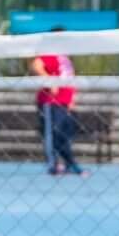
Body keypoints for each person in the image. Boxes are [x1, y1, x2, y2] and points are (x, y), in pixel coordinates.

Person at [31, 28, 84, 176]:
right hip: (50, 101)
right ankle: (52, 164)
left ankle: (69, 163)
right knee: (52, 133)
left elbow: (70, 79)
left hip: (64, 102)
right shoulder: (49, 54)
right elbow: (36, 65)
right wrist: (50, 81)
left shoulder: (65, 58)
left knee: (64, 135)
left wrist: (71, 99)